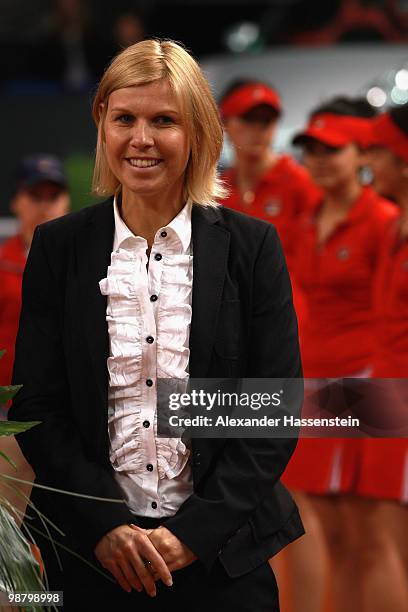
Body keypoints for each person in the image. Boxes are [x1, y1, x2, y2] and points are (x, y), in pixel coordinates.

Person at [9, 39, 304, 611]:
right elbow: (38, 407)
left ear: (196, 132)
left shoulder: (252, 246)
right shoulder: (58, 248)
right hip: (94, 558)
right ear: (102, 124)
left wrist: (189, 536)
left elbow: (271, 410)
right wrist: (106, 525)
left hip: (222, 559)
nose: (141, 139)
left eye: (163, 120)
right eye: (125, 118)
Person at [281, 97, 398, 612]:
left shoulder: (385, 219)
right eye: (311, 149)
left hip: (369, 387)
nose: (321, 159)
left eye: (334, 149)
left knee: (370, 535)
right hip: (318, 388)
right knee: (328, 534)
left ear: (362, 153)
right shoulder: (308, 219)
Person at [0, 154, 70, 387]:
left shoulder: (86, 263)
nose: (44, 205)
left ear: (66, 202)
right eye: (35, 196)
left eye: (53, 196)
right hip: (8, 404)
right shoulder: (2, 263)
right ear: (16, 201)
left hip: (68, 403)